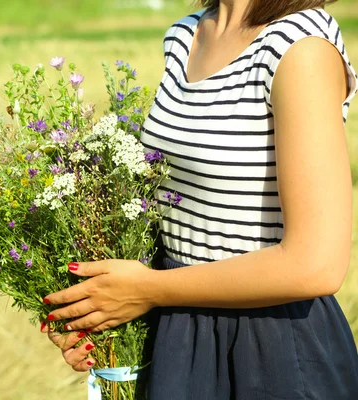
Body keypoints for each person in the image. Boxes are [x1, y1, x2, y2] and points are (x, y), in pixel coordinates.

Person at [40, 0, 358, 398]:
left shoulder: (301, 45)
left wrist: (148, 290)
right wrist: (96, 307)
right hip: (178, 335)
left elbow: (317, 264)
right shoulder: (185, 35)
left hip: (272, 350)